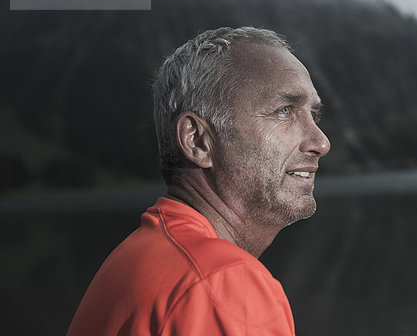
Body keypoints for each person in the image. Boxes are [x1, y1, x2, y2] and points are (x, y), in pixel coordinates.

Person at [67, 26, 330, 335]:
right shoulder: (220, 281)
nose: (321, 142)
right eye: (284, 111)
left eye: (315, 115)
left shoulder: (140, 257)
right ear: (198, 141)